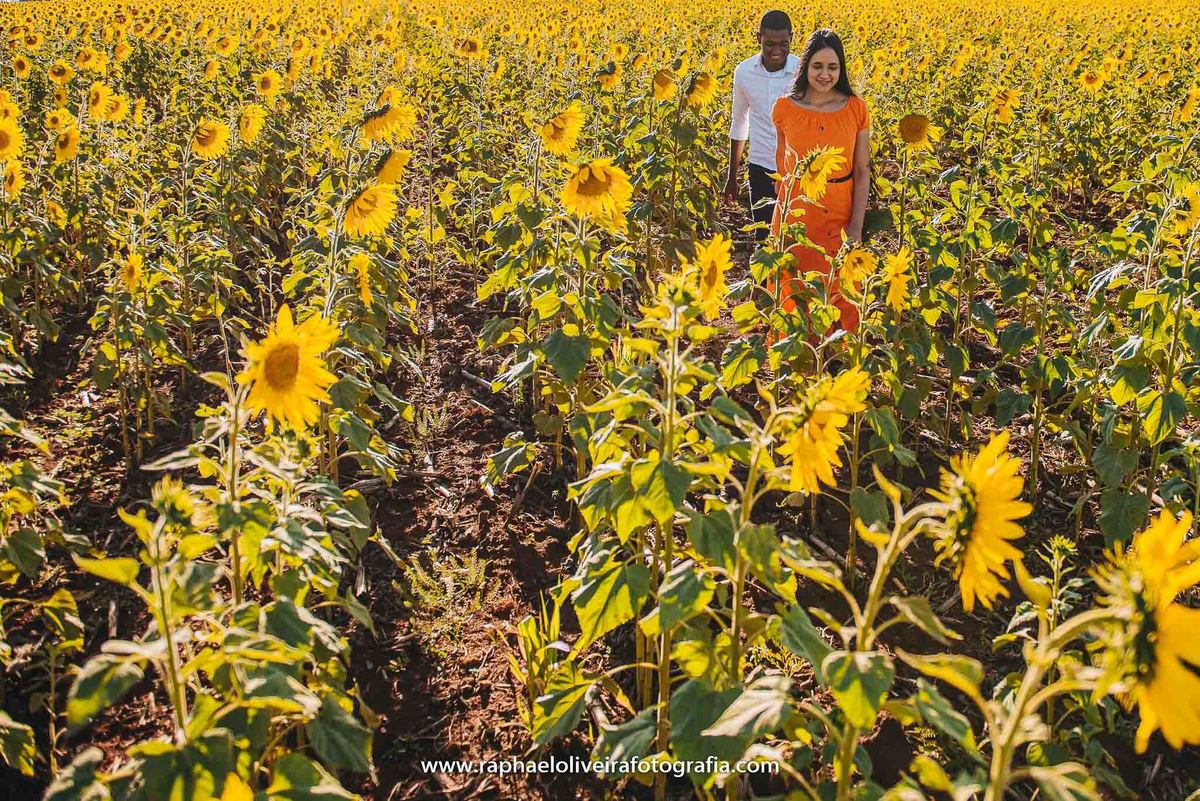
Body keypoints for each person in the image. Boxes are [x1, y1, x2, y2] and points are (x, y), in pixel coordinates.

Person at [770, 28, 871, 332]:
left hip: (839, 210)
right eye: (818, 66)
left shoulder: (856, 108)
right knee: (794, 288)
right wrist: (783, 216)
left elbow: (863, 169)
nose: (825, 74)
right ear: (805, 67)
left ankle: (838, 362)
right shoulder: (785, 108)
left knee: (841, 289)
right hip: (798, 212)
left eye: (832, 67)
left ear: (840, 70)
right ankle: (795, 364)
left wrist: (856, 226)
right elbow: (781, 164)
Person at [722, 11, 800, 242]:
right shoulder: (744, 72)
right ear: (758, 38)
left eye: (783, 44)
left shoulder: (802, 71)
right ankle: (764, 280)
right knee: (764, 237)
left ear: (791, 39)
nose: (776, 51)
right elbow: (740, 122)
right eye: (769, 44)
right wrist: (732, 175)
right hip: (760, 165)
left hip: (796, 166)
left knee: (795, 238)